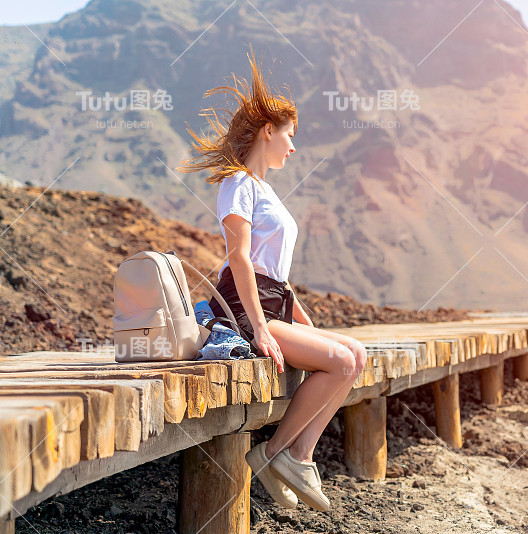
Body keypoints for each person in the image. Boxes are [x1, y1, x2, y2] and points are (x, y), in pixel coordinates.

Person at [179, 51, 367, 512]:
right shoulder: (237, 183)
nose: (293, 146)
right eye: (290, 135)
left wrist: (305, 322)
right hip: (243, 308)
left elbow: (276, 273)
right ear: (269, 131)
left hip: (273, 301)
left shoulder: (265, 190)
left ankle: (291, 456)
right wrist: (260, 327)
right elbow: (239, 258)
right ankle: (280, 454)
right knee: (340, 364)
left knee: (355, 354)